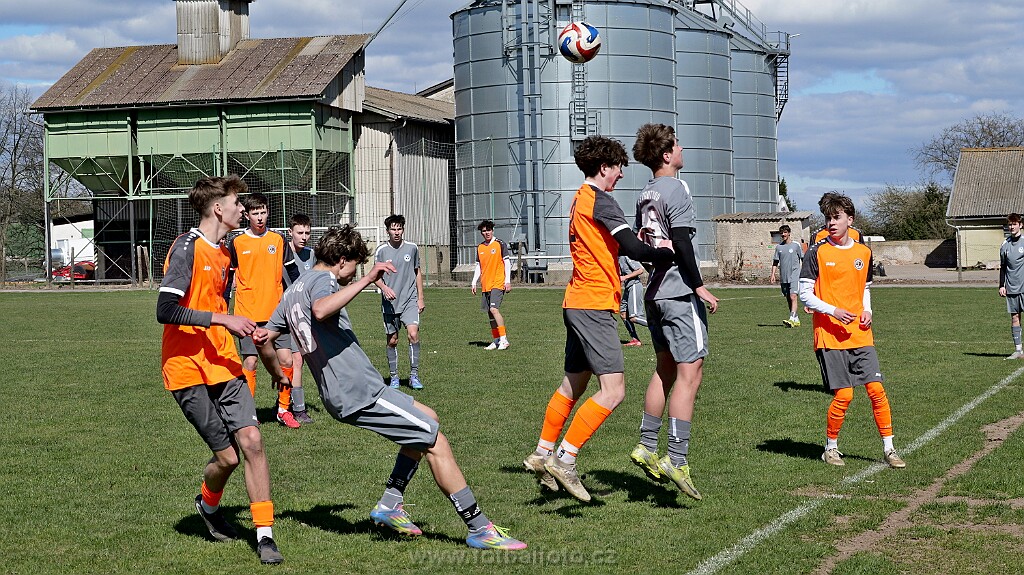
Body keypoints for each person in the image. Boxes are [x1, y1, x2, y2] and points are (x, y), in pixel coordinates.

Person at [253, 225, 527, 550]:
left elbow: (263, 338)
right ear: (342, 260)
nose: (354, 273)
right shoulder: (324, 281)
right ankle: (479, 528)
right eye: (355, 266)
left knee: (428, 417)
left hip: (345, 391)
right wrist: (368, 280)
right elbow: (321, 309)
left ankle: (390, 504)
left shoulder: (293, 290)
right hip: (357, 390)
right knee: (435, 439)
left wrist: (277, 373)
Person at [522, 135, 675, 502]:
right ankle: (565, 459)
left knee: (573, 385)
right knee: (614, 391)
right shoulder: (602, 200)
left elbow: (613, 244)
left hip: (577, 301)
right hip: (593, 304)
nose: (621, 174)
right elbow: (636, 249)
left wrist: (632, 240)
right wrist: (666, 252)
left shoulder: (580, 198)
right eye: (619, 168)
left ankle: (542, 453)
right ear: (604, 167)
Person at [156, 175, 284, 564]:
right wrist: (223, 319)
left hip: (224, 362)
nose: (242, 209)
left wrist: (242, 327)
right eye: (236, 203)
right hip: (186, 369)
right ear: (218, 208)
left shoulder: (226, 251)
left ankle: (265, 536)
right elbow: (165, 310)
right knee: (227, 458)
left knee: (253, 442)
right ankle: (208, 506)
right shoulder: (186, 248)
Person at [626, 123, 719, 501]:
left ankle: (647, 445)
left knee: (664, 369)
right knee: (689, 374)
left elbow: (642, 245)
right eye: (678, 145)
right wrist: (698, 285)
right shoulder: (676, 188)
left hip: (654, 293)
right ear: (666, 155)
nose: (682, 150)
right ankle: (676, 459)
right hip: (679, 293)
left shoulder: (644, 194)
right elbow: (681, 241)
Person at [799, 193, 906, 469]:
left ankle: (890, 449)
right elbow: (804, 294)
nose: (831, 223)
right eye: (828, 218)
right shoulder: (816, 252)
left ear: (850, 219)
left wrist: (867, 310)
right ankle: (831, 448)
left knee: (876, 390)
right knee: (845, 395)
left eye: (836, 218)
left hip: (860, 332)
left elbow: (865, 287)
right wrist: (833, 311)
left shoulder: (863, 252)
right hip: (829, 335)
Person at [225, 193, 301, 428]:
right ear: (247, 215)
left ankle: (283, 409)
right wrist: (223, 307)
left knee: (286, 359)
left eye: (263, 212)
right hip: (247, 313)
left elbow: (293, 275)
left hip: (277, 313)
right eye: (255, 213)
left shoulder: (278, 240)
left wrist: (299, 301)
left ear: (268, 213)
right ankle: (249, 413)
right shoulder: (237, 242)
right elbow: (227, 279)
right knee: (250, 362)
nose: (259, 217)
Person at [374, 214, 426, 389]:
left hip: (410, 300)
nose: (396, 232)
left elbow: (417, 272)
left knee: (413, 334)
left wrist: (420, 298)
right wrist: (385, 288)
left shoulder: (412, 248)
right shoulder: (381, 251)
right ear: (387, 231)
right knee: (393, 340)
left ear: (403, 230)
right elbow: (374, 276)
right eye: (393, 229)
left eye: (399, 229)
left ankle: (414, 376)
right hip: (390, 303)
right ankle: (394, 377)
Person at [282, 213, 315, 423]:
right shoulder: (281, 253)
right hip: (281, 314)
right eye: (300, 232)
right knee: (291, 360)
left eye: (307, 233)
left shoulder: (312, 255)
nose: (304, 237)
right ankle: (292, 407)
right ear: (290, 232)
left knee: (298, 360)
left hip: (303, 315)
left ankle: (295, 407)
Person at [470, 220, 511, 350]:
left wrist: (507, 281)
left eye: (489, 230)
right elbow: (478, 266)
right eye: (484, 231)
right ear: (481, 233)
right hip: (485, 284)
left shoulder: (500, 244)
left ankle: (504, 339)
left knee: (494, 309)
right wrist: (474, 282)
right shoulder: (480, 247)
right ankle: (496, 340)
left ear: (492, 230)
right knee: (490, 313)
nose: (487, 232)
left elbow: (507, 263)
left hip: (498, 282)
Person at [999, 212, 1024, 360]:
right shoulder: (1005, 245)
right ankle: (1018, 350)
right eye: (1010, 224)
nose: (1012, 227)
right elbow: (1003, 267)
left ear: (1020, 225)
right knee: (1015, 317)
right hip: (1011, 287)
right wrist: (1001, 285)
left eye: (1014, 224)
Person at [769, 224, 804, 327]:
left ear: (789, 233)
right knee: (788, 298)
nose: (783, 234)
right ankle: (796, 319)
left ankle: (791, 318)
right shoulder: (779, 247)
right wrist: (773, 275)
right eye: (781, 233)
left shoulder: (796, 245)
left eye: (785, 232)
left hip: (795, 275)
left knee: (793, 296)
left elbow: (803, 259)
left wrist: (806, 272)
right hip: (784, 276)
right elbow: (775, 262)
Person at [618, 254, 647, 347]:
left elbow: (640, 270)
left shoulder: (627, 256)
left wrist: (625, 277)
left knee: (634, 317)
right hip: (628, 287)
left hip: (634, 286)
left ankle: (659, 326)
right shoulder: (617, 257)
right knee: (623, 314)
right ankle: (635, 340)